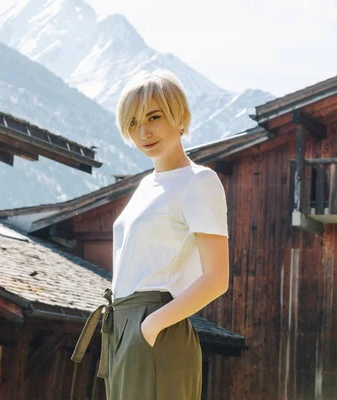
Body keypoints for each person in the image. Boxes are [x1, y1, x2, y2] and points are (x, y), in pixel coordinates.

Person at [72, 70, 230, 400]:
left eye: (154, 117)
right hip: (122, 325)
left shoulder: (199, 181)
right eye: (132, 122)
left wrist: (151, 326)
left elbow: (217, 278)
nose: (143, 131)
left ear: (180, 117)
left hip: (154, 324)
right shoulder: (146, 185)